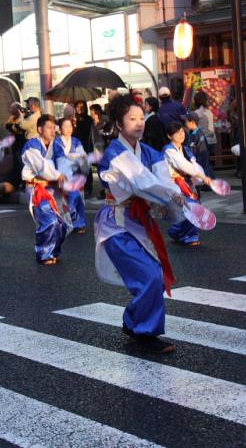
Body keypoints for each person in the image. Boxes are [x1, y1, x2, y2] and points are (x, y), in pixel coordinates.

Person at [95, 94, 183, 354]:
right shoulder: (115, 152)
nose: (139, 123)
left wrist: (175, 195)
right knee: (149, 275)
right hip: (117, 225)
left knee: (152, 274)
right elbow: (142, 183)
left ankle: (135, 323)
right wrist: (172, 195)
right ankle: (143, 332)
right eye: (131, 119)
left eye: (141, 117)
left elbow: (161, 179)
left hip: (139, 221)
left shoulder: (149, 152)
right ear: (119, 125)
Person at [22, 114, 71, 265]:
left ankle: (53, 250)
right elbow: (41, 167)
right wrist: (58, 175)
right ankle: (44, 253)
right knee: (49, 221)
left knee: (62, 224)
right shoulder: (31, 145)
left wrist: (65, 180)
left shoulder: (56, 145)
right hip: (37, 188)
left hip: (52, 187)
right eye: (49, 128)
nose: (52, 131)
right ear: (39, 129)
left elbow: (63, 163)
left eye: (54, 128)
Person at [164, 122, 211, 246]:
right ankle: (186, 235)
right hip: (174, 184)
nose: (181, 134)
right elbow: (184, 166)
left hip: (187, 183)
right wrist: (202, 176)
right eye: (177, 132)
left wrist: (201, 177)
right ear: (169, 136)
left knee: (193, 207)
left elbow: (194, 165)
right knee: (191, 207)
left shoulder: (185, 149)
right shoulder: (169, 150)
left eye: (182, 131)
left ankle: (178, 232)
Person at [56, 118, 88, 233]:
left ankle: (78, 223)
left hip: (76, 175)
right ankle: (68, 222)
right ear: (60, 129)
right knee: (66, 200)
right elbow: (60, 160)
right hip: (62, 175)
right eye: (65, 126)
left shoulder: (76, 141)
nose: (69, 129)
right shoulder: (57, 142)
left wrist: (78, 158)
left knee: (78, 198)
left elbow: (82, 155)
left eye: (70, 126)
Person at [185, 112, 213, 178]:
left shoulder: (199, 136)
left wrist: (197, 168)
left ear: (192, 122)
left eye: (186, 121)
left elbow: (203, 155)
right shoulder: (191, 133)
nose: (185, 123)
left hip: (200, 169)